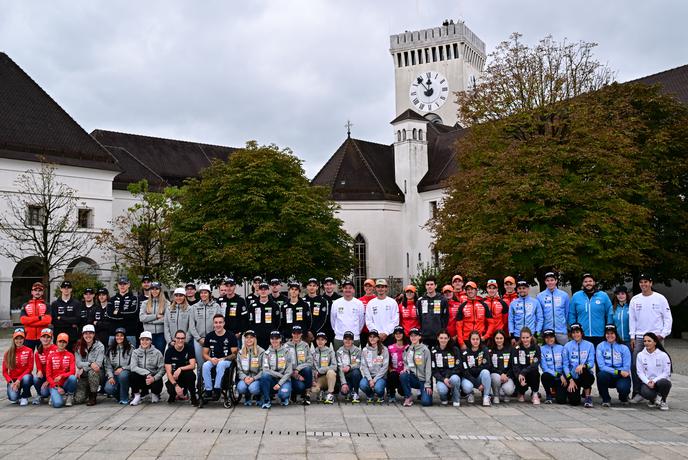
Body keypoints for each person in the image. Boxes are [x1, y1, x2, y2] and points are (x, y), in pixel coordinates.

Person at [629, 273, 672, 402]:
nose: (643, 284)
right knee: (636, 365)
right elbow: (632, 319)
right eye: (641, 282)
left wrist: (663, 334)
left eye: (646, 282)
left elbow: (668, 318)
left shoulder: (660, 298)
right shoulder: (635, 299)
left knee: (659, 364)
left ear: (651, 283)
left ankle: (659, 392)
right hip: (640, 337)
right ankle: (638, 392)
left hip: (656, 337)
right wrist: (632, 336)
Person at [568, 273, 612, 346]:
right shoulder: (576, 296)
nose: (588, 283)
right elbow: (571, 313)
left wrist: (609, 328)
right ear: (582, 284)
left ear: (594, 282)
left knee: (599, 356)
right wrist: (574, 328)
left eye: (590, 281)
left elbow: (610, 312)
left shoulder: (603, 296)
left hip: (600, 334)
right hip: (582, 334)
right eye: (585, 281)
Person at [202, 314, 238, 400]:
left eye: (220, 322)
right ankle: (208, 390)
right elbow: (204, 354)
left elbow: (234, 354)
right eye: (216, 323)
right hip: (213, 359)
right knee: (205, 365)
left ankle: (217, 389)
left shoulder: (231, 336)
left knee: (221, 364)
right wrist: (211, 359)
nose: (218, 325)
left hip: (226, 360)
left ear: (224, 323)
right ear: (213, 324)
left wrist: (223, 359)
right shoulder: (209, 336)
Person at [190, 284, 223, 374]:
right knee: (200, 365)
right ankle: (200, 386)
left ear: (209, 294)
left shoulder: (216, 306)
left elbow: (219, 323)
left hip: (213, 339)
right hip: (198, 340)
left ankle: (211, 384)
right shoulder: (194, 307)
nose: (203, 295)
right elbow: (191, 326)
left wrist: (212, 337)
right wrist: (198, 338)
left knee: (212, 363)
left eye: (205, 293)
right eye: (201, 293)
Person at [596, 324, 631, 407]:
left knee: (623, 388)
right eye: (607, 333)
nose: (609, 336)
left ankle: (623, 397)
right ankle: (606, 399)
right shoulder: (600, 346)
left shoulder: (624, 348)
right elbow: (601, 366)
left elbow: (626, 367)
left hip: (621, 376)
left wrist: (620, 372)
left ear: (616, 334)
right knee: (601, 375)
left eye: (612, 333)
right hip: (609, 374)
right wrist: (617, 371)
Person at [635, 332, 672, 410]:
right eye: (645, 341)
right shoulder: (640, 355)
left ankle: (663, 400)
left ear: (655, 342)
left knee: (665, 383)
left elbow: (666, 372)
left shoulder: (663, 355)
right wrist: (648, 382)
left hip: (659, 381)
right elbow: (640, 372)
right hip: (648, 382)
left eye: (649, 341)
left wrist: (654, 381)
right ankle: (653, 400)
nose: (646, 343)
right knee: (645, 392)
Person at [563, 323, 596, 407]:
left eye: (577, 332)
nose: (575, 334)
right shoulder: (567, 346)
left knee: (583, 370)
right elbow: (565, 365)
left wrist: (583, 366)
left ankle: (588, 397)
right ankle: (577, 392)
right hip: (573, 377)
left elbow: (591, 363)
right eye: (573, 333)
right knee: (574, 402)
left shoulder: (590, 345)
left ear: (581, 333)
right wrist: (570, 380)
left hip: (585, 375)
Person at [129, 331, 165, 405]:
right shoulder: (135, 352)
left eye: (147, 340)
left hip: (152, 378)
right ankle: (137, 396)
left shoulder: (157, 353)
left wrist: (154, 378)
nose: (144, 342)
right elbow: (133, 367)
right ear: (140, 341)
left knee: (158, 381)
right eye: (142, 340)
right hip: (141, 378)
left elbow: (162, 369)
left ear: (151, 341)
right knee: (132, 375)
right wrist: (146, 373)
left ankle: (155, 394)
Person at [456, 281, 495, 349]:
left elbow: (491, 323)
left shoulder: (484, 305)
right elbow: (458, 326)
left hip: (480, 339)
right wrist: (461, 342)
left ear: (476, 290)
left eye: (472, 289)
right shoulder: (462, 306)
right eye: (468, 289)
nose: (470, 291)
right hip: (466, 340)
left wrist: (486, 336)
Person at [164, 329, 198, 405]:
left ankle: (193, 397)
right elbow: (168, 372)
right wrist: (176, 386)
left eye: (182, 338)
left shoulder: (189, 348)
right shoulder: (169, 351)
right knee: (171, 389)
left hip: (185, 375)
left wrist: (180, 369)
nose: (180, 340)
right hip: (174, 377)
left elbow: (192, 365)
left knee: (191, 375)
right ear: (174, 339)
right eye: (178, 338)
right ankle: (173, 395)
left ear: (185, 339)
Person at [260, 330, 293, 408]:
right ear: (270, 340)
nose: (274, 341)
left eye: (276, 338)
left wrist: (280, 383)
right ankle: (267, 400)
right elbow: (266, 370)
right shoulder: (266, 353)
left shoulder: (286, 352)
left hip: (284, 380)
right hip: (273, 380)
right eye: (272, 338)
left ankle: (285, 398)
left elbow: (289, 372)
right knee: (264, 375)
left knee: (283, 394)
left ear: (280, 339)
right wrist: (280, 375)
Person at [400, 328, 432, 407]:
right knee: (403, 375)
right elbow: (405, 362)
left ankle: (423, 392)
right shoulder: (407, 349)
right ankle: (408, 396)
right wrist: (406, 368)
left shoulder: (425, 350)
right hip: (413, 378)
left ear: (419, 337)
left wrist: (428, 384)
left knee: (426, 403)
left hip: (423, 380)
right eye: (411, 336)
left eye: (415, 335)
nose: (413, 337)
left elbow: (428, 368)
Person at [74, 324, 105, 406]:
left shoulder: (100, 346)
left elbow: (98, 365)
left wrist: (83, 368)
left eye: (90, 333)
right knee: (78, 400)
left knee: (93, 372)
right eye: (85, 333)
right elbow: (78, 363)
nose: (88, 335)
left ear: (94, 334)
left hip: (97, 374)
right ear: (82, 334)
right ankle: (88, 389)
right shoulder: (78, 346)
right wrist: (90, 364)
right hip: (84, 376)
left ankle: (93, 396)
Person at [536, 272, 570, 345]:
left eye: (552, 280)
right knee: (547, 354)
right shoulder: (540, 296)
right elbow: (539, 315)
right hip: (546, 331)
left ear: (556, 281)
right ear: (545, 282)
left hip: (561, 331)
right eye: (547, 280)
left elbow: (567, 313)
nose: (550, 282)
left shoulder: (564, 295)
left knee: (563, 353)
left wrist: (566, 326)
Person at [330, 280, 365, 350]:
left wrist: (357, 332)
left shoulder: (359, 303)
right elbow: (333, 320)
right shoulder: (336, 303)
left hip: (354, 338)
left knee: (354, 360)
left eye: (350, 288)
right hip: (339, 338)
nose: (348, 290)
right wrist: (337, 331)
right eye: (345, 288)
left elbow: (361, 321)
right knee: (339, 360)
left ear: (354, 290)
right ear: (342, 289)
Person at [3, 328, 34, 405]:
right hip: (13, 380)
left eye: (21, 339)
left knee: (27, 378)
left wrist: (19, 380)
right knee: (13, 399)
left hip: (23, 378)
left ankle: (25, 396)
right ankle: (18, 395)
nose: (19, 341)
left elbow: (30, 368)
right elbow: (4, 371)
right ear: (13, 339)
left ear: (24, 339)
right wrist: (11, 382)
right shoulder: (8, 353)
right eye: (16, 338)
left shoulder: (29, 351)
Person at [460, 331, 492, 406]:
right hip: (468, 378)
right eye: (473, 339)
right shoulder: (465, 352)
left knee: (486, 372)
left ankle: (486, 397)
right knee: (467, 387)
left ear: (480, 340)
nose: (475, 341)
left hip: (479, 377)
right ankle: (470, 393)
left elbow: (487, 365)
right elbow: (465, 371)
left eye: (477, 339)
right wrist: (477, 385)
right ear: (469, 340)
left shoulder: (484, 350)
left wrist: (475, 368)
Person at [46, 333, 77, 407]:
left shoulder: (70, 355)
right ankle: (53, 395)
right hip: (54, 384)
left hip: (65, 383)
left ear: (67, 343)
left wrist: (61, 376)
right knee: (58, 404)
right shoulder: (50, 356)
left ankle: (70, 395)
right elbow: (48, 375)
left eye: (64, 342)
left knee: (73, 378)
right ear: (56, 342)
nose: (62, 344)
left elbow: (73, 371)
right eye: (60, 341)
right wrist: (56, 386)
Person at [106, 276, 140, 346]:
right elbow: (109, 315)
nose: (122, 286)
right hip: (113, 334)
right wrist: (125, 316)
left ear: (129, 285)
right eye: (120, 284)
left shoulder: (134, 298)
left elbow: (134, 313)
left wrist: (117, 313)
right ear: (117, 285)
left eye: (124, 284)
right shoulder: (112, 299)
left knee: (131, 356)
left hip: (129, 334)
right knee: (112, 356)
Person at [431, 330, 461, 406]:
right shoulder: (434, 351)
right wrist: (443, 379)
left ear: (448, 339)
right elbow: (434, 370)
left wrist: (448, 377)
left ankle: (456, 398)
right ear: (438, 338)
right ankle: (444, 398)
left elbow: (458, 366)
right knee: (442, 391)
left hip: (452, 375)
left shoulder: (455, 350)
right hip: (441, 378)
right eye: (441, 338)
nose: (443, 340)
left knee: (455, 379)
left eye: (445, 338)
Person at [416, 277, 448, 349]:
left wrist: (442, 331)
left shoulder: (443, 300)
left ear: (435, 286)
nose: (429, 286)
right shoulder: (420, 301)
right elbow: (419, 317)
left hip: (438, 336)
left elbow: (445, 317)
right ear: (425, 286)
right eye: (427, 284)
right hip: (425, 335)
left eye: (431, 284)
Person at [365, 279, 400, 346]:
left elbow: (395, 321)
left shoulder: (392, 302)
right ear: (375, 288)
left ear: (386, 288)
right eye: (378, 287)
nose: (380, 289)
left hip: (389, 336)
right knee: (375, 356)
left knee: (389, 356)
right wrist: (377, 333)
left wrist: (386, 333)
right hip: (375, 337)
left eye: (383, 287)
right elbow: (368, 321)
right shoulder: (371, 303)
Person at [508, 281, 543, 345]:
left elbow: (540, 319)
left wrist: (537, 334)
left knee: (532, 354)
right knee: (517, 354)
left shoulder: (535, 302)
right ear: (517, 290)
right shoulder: (513, 303)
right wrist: (512, 336)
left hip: (531, 335)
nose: (522, 290)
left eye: (524, 288)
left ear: (528, 289)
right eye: (519, 288)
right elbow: (510, 320)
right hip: (517, 335)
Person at [512, 327, 541, 405]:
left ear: (531, 337)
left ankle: (535, 393)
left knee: (535, 372)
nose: (525, 340)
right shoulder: (516, 348)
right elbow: (515, 364)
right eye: (523, 338)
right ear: (520, 338)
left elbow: (535, 364)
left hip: (530, 372)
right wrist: (519, 375)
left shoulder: (536, 348)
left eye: (527, 337)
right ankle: (521, 393)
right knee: (517, 376)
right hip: (520, 374)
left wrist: (524, 372)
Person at [249, 282, 282, 349]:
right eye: (261, 289)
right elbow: (250, 321)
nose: (263, 291)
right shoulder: (253, 306)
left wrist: (273, 331)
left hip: (271, 337)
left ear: (268, 291)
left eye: (265, 289)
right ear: (258, 291)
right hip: (257, 337)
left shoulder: (274, 305)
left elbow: (278, 321)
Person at [360, 329, 389, 404]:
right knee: (362, 385)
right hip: (369, 376)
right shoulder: (364, 350)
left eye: (374, 337)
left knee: (378, 388)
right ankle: (370, 395)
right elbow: (364, 366)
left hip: (380, 377)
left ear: (378, 338)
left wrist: (375, 380)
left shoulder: (384, 349)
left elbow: (385, 367)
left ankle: (380, 395)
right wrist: (370, 379)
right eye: (370, 337)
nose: (372, 338)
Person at [20, 281, 52, 350]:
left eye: (40, 290)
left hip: (43, 337)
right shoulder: (25, 305)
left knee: (42, 359)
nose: (37, 292)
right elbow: (23, 320)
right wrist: (39, 318)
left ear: (42, 292)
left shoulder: (47, 305)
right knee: (28, 359)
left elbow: (48, 320)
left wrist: (30, 322)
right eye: (35, 290)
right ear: (32, 292)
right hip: (28, 337)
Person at [286, 325, 314, 404]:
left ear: (301, 334)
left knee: (308, 369)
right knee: (300, 386)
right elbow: (284, 364)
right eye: (294, 333)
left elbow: (310, 361)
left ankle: (307, 395)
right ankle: (293, 392)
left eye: (298, 333)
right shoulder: (286, 346)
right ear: (292, 334)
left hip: (302, 370)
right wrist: (295, 374)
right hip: (290, 373)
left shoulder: (305, 345)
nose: (296, 335)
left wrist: (298, 368)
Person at [50, 280, 81, 350]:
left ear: (71, 289)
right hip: (59, 336)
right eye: (64, 287)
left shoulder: (76, 303)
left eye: (68, 288)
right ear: (61, 289)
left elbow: (77, 320)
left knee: (71, 358)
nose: (66, 289)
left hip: (72, 337)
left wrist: (61, 318)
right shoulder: (55, 304)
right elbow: (54, 321)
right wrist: (71, 323)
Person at [104, 328, 132, 405]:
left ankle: (124, 398)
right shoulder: (110, 349)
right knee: (108, 389)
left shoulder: (130, 348)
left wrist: (123, 368)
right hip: (114, 373)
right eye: (117, 335)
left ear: (125, 337)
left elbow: (133, 364)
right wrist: (110, 376)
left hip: (126, 372)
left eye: (121, 335)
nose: (119, 337)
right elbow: (108, 366)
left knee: (123, 375)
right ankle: (119, 396)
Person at [139, 281, 168, 354]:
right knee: (148, 355)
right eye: (152, 289)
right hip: (148, 334)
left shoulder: (166, 303)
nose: (154, 291)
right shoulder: (145, 303)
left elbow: (166, 319)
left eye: (156, 289)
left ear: (160, 290)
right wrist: (156, 316)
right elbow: (142, 318)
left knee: (159, 354)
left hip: (160, 334)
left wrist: (150, 321)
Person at [236, 330, 264, 405]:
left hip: (257, 378)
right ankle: (247, 397)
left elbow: (263, 370)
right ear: (244, 339)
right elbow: (239, 370)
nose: (249, 339)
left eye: (251, 337)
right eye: (247, 337)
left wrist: (254, 378)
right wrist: (245, 378)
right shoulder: (240, 353)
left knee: (253, 388)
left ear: (255, 339)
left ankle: (259, 396)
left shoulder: (261, 352)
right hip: (245, 378)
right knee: (240, 388)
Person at [540, 329, 567, 404]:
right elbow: (545, 368)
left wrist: (564, 375)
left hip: (561, 379)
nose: (549, 339)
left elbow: (565, 364)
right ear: (544, 339)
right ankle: (548, 394)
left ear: (555, 337)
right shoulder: (542, 349)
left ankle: (558, 391)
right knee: (544, 376)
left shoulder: (561, 348)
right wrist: (558, 374)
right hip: (551, 377)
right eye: (546, 337)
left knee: (561, 401)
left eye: (551, 337)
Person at [489, 330, 515, 404]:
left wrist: (506, 375)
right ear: (494, 339)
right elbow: (490, 366)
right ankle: (496, 395)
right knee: (496, 377)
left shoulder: (510, 349)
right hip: (496, 375)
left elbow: (513, 366)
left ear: (504, 339)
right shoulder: (490, 350)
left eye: (501, 338)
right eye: (497, 338)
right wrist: (501, 374)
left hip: (507, 376)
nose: (499, 340)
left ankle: (504, 394)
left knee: (509, 390)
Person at [311, 332, 338, 403]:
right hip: (318, 379)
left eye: (322, 340)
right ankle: (321, 392)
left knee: (331, 372)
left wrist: (321, 370)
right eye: (318, 340)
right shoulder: (313, 353)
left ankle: (330, 394)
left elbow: (334, 366)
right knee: (313, 389)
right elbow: (312, 368)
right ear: (315, 341)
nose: (320, 342)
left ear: (325, 341)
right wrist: (313, 380)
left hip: (327, 377)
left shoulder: (330, 351)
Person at [336, 331, 362, 403]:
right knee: (344, 392)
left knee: (356, 372)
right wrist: (344, 383)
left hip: (354, 374)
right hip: (344, 375)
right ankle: (349, 390)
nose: (347, 341)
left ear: (353, 341)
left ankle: (356, 392)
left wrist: (349, 366)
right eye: (346, 339)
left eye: (350, 339)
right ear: (343, 340)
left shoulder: (358, 351)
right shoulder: (339, 352)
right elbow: (340, 368)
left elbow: (358, 363)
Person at [32, 328, 57, 404]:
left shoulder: (56, 349)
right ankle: (40, 395)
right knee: (36, 379)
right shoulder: (37, 352)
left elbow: (57, 368)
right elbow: (39, 368)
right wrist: (39, 372)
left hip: (54, 376)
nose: (45, 339)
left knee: (47, 391)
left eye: (48, 337)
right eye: (43, 337)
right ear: (40, 338)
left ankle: (54, 393)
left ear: (51, 338)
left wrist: (48, 380)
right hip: (45, 376)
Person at [387, 326, 407, 403]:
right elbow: (387, 361)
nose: (398, 335)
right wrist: (390, 369)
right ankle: (392, 394)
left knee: (402, 391)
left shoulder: (408, 347)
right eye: (396, 333)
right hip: (394, 372)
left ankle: (406, 393)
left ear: (403, 334)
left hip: (404, 372)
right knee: (392, 375)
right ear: (394, 335)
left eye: (400, 333)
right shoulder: (390, 347)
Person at [321, 277, 340, 343]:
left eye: (331, 284)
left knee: (338, 351)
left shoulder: (339, 299)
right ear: (324, 286)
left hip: (337, 329)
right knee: (325, 351)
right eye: (327, 284)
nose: (329, 286)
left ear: (334, 285)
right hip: (324, 329)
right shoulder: (320, 299)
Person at [358, 278, 376, 345]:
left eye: (370, 286)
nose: (368, 288)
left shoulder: (377, 300)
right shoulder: (359, 300)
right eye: (366, 286)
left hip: (374, 330)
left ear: (374, 288)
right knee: (364, 350)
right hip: (363, 330)